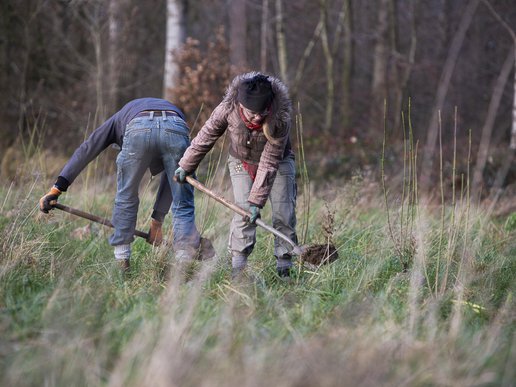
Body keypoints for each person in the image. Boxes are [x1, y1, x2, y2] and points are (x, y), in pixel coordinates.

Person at [39, 98, 201, 272]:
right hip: (176, 126)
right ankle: (183, 270)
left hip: (138, 127)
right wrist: (156, 223)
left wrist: (57, 189)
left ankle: (122, 266)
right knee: (182, 203)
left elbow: (88, 148)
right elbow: (174, 180)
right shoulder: (157, 114)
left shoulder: (117, 120)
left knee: (126, 198)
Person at [174, 72, 297, 278]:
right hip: (241, 161)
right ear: (241, 105)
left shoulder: (279, 117)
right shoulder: (227, 109)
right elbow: (206, 136)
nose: (258, 117)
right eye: (252, 112)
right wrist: (186, 165)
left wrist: (257, 202)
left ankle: (285, 267)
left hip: (279, 162)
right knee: (243, 211)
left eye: (262, 112)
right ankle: (238, 269)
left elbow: (269, 161)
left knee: (283, 213)